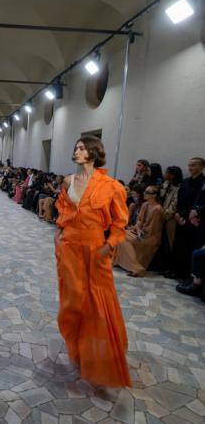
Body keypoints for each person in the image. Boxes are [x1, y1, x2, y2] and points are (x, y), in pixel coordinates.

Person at [54, 135, 131, 388]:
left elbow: (120, 223)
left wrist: (109, 245)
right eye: (75, 147)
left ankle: (100, 355)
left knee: (98, 301)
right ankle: (77, 348)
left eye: (82, 148)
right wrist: (59, 234)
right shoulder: (67, 181)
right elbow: (63, 212)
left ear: (94, 153)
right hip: (69, 247)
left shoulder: (112, 187)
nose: (76, 151)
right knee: (72, 300)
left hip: (96, 248)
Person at [165, 157, 205, 280]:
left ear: (202, 167)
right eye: (189, 165)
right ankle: (175, 271)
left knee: (189, 247)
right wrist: (177, 214)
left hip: (193, 220)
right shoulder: (186, 182)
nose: (190, 167)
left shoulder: (203, 183)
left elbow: (197, 202)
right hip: (180, 216)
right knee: (178, 245)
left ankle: (186, 274)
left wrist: (187, 217)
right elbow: (180, 199)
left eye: (194, 165)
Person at [113, 185, 163, 277]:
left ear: (154, 195)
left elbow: (153, 228)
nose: (144, 194)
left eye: (147, 192)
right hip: (138, 231)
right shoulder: (145, 204)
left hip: (150, 236)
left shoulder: (157, 209)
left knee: (124, 239)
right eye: (145, 191)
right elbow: (139, 220)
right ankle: (117, 260)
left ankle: (136, 268)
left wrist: (140, 230)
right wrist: (137, 228)